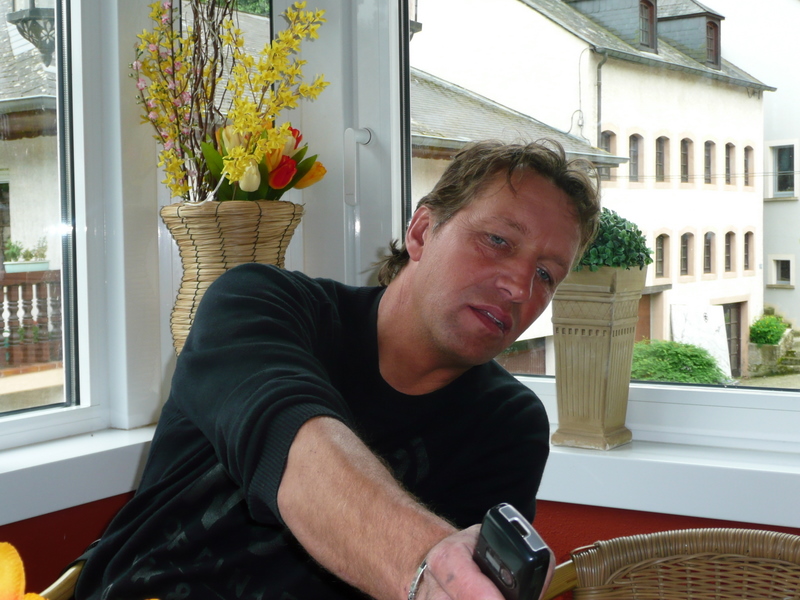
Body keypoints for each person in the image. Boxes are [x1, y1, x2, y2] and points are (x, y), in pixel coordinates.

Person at [76, 139, 600, 600]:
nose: (519, 287)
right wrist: (430, 568)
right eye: (498, 240)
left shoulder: (510, 423)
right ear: (422, 232)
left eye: (546, 274)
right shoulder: (258, 303)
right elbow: (293, 449)